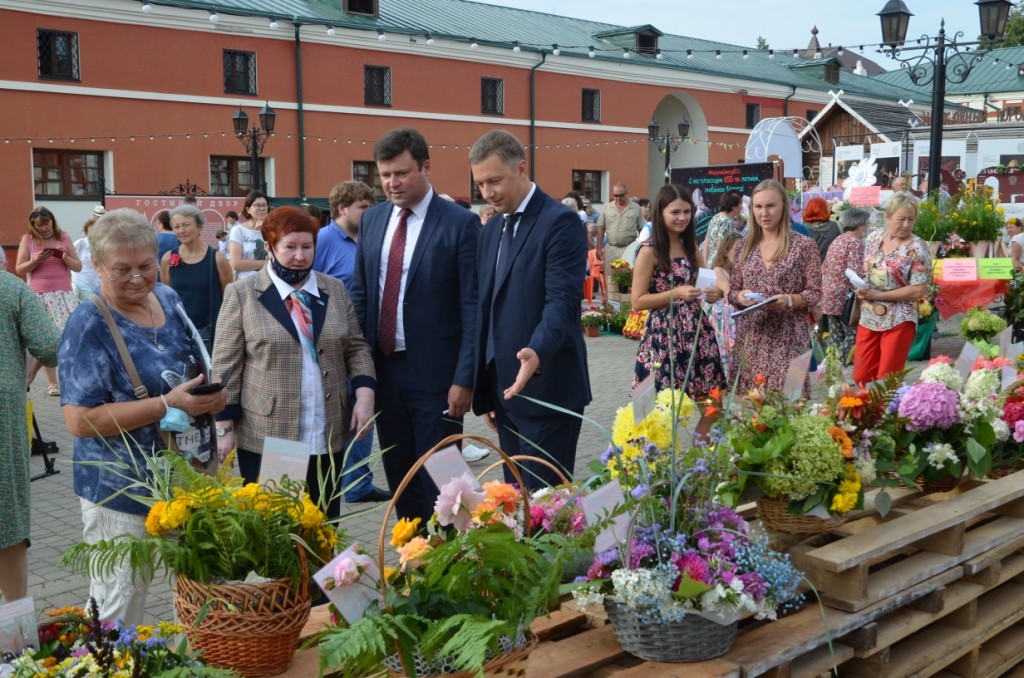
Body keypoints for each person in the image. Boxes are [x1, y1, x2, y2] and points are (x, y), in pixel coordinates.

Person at [59, 208, 227, 624]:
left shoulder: (167, 298)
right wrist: (168, 404)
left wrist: (209, 396)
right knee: (120, 604)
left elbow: (191, 366)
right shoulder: (88, 323)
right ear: (96, 265)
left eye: (145, 266)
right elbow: (79, 421)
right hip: (122, 490)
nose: (137, 278)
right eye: (122, 269)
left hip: (187, 478)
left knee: (198, 596)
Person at [350, 127, 478, 522]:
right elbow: (361, 294)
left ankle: (457, 560)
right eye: (384, 174)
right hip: (385, 373)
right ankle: (412, 559)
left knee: (444, 481)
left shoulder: (459, 223)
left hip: (438, 378)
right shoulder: (372, 220)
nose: (391, 183)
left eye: (401, 173)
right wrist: (359, 371)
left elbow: (473, 307)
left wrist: (465, 378)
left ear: (425, 166)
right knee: (402, 475)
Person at [214, 206, 376, 519]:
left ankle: (327, 571)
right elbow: (226, 365)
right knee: (279, 530)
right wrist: (224, 428)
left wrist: (365, 394)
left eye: (307, 247)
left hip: (326, 429)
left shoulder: (334, 290)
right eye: (290, 247)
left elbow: (356, 347)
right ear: (270, 247)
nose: (300, 256)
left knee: (324, 522)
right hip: (271, 432)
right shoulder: (243, 293)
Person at [469, 129, 591, 489]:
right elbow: (486, 308)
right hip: (504, 392)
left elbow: (563, 302)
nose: (487, 193)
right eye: (480, 184)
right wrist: (486, 383)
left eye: (495, 181)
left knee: (546, 514)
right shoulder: (491, 230)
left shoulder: (560, 222)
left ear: (521, 168)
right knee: (515, 508)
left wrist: (536, 351)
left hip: (547, 389)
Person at [311, 180, 392, 503]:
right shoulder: (322, 240)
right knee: (334, 416)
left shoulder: (371, 238)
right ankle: (333, 484)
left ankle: (358, 484)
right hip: (329, 347)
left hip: (364, 344)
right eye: (363, 206)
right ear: (343, 208)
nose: (369, 212)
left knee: (363, 416)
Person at [631, 185, 724, 440]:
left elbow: (707, 285)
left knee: (713, 406)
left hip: (697, 334)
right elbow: (637, 301)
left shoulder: (691, 247)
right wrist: (675, 294)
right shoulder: (649, 251)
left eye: (687, 211)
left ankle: (699, 462)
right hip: (664, 336)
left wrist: (714, 294)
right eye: (675, 212)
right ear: (660, 213)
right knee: (660, 412)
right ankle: (661, 469)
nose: (682, 217)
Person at [728, 180, 822, 395]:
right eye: (758, 207)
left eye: (770, 206)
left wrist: (790, 300)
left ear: (783, 206)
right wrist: (740, 297)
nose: (764, 213)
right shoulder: (744, 246)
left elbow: (815, 291)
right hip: (752, 337)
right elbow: (733, 291)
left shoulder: (804, 245)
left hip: (790, 336)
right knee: (754, 409)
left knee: (791, 402)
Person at [0, 271, 60, 602]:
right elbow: (50, 345)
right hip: (3, 415)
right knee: (6, 517)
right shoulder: (10, 288)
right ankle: (14, 638)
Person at [853, 192, 932, 384]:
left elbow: (918, 290)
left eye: (910, 220)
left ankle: (883, 413)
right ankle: (867, 411)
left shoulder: (917, 247)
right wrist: (861, 287)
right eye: (901, 219)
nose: (906, 225)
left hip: (899, 318)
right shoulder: (873, 238)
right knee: (861, 376)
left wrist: (879, 294)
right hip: (869, 314)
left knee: (886, 380)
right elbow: (868, 270)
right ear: (888, 217)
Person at [16, 206, 82, 396]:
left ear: (52, 221)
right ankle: (51, 383)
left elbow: (78, 267)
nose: (44, 228)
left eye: (46, 224)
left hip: (63, 294)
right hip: (40, 295)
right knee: (46, 339)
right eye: (39, 226)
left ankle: (31, 374)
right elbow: (20, 269)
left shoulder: (64, 237)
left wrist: (65, 257)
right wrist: (36, 260)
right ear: (33, 226)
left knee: (63, 337)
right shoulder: (28, 239)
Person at [159, 204, 232, 354]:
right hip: (180, 334)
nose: (181, 230)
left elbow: (230, 299)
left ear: (199, 226)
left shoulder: (217, 259)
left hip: (211, 334)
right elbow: (167, 300)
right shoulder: (168, 258)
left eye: (186, 225)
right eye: (177, 226)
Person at [820, 207, 870, 365]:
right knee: (853, 334)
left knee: (836, 337)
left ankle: (833, 374)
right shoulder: (856, 243)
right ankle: (833, 367)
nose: (868, 225)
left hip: (828, 293)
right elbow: (855, 272)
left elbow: (825, 266)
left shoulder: (838, 240)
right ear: (860, 225)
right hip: (844, 297)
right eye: (866, 223)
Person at [708, 231, 744, 382]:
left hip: (738, 314)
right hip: (725, 317)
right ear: (726, 251)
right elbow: (728, 291)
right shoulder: (718, 270)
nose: (740, 254)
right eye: (737, 250)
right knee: (726, 349)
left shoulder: (741, 270)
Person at [596, 182, 643, 281]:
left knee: (628, 278)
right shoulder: (607, 208)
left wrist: (642, 247)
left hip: (629, 247)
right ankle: (611, 297)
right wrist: (599, 248)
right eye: (615, 195)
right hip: (611, 248)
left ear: (627, 193)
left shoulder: (636, 208)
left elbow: (642, 228)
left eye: (621, 195)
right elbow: (600, 227)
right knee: (610, 278)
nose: (618, 198)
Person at [228, 191, 271, 280]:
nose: (262, 208)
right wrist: (269, 263)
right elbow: (236, 263)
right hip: (245, 283)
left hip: (269, 282)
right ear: (248, 209)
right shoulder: (238, 230)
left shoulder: (273, 229)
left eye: (264, 205)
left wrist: (265, 231)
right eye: (258, 205)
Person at [72, 207, 106, 301]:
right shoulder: (80, 243)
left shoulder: (101, 244)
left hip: (97, 281)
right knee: (90, 303)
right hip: (82, 281)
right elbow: (69, 259)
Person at [702, 189, 745, 264]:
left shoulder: (715, 217)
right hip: (720, 267)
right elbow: (721, 247)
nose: (742, 207)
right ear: (733, 206)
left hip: (710, 265)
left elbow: (706, 242)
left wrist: (705, 264)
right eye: (741, 204)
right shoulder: (727, 222)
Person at [802, 196, 840, 263]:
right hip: (829, 266)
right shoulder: (833, 226)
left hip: (809, 267)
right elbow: (838, 247)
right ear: (824, 210)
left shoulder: (803, 228)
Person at [155, 211, 178, 278]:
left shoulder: (153, 239)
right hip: (175, 277)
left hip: (157, 278)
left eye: (158, 223)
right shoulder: (180, 240)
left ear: (161, 224)